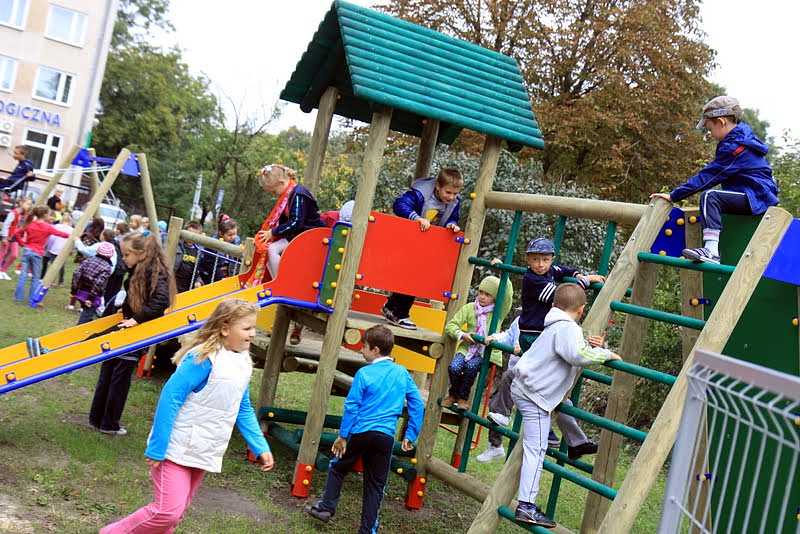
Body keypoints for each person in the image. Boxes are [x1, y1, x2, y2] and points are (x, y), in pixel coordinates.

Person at [99, 299, 274, 534]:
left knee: (176, 514)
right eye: (246, 328)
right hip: (176, 448)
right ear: (225, 328)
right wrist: (158, 446)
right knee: (167, 512)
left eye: (254, 328)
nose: (253, 334)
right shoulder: (204, 359)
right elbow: (170, 398)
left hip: (204, 449)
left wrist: (259, 445)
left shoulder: (242, 362)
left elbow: (243, 408)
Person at [511, 284, 621, 527]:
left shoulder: (555, 324)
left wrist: (593, 347)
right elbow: (576, 356)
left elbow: (574, 350)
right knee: (536, 449)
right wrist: (605, 354)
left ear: (554, 305)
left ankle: (576, 442)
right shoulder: (568, 328)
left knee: (563, 402)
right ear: (581, 309)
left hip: (529, 388)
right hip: (534, 396)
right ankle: (526, 506)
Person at [305, 325, 424, 533]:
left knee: (338, 467)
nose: (361, 350)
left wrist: (343, 436)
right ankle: (367, 530)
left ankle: (326, 507)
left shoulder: (364, 373)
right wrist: (410, 434)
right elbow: (417, 403)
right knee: (375, 485)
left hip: (361, 432)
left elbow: (352, 405)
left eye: (364, 346)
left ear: (375, 350)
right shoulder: (402, 373)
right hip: (385, 437)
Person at [651, 96, 779, 265]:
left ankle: (711, 251)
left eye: (709, 128)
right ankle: (712, 248)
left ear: (721, 122)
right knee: (715, 200)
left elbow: (709, 176)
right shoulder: (740, 139)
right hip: (754, 194)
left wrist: (674, 195)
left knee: (710, 197)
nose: (709, 134)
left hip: (755, 197)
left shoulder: (736, 148)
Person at [84, 233, 175, 435]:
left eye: (127, 254)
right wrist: (125, 310)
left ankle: (106, 422)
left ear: (141, 253)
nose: (123, 258)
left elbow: (161, 300)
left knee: (118, 377)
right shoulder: (138, 269)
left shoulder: (155, 272)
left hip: (136, 332)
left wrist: (136, 319)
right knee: (110, 371)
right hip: (129, 328)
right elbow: (137, 297)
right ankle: (100, 420)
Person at [475, 314, 598, 463]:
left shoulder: (554, 323)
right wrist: (495, 338)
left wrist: (595, 345)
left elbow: (562, 347)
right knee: (498, 407)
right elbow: (509, 335)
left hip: (536, 377)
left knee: (560, 403)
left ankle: (572, 441)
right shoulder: (521, 319)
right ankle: (495, 445)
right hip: (519, 376)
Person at [383, 168, 464, 330]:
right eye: (448, 192)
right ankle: (399, 312)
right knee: (412, 276)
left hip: (426, 246)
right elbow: (399, 205)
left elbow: (453, 217)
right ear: (437, 187)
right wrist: (417, 218)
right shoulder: (420, 194)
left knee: (417, 276)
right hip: (408, 241)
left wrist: (451, 225)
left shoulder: (454, 202)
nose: (451, 197)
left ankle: (392, 308)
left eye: (455, 194)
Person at [518, 238, 605, 347]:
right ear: (528, 259)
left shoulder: (549, 270)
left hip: (541, 331)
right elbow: (564, 298)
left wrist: (577, 275)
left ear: (552, 260)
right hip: (533, 333)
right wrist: (586, 280)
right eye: (535, 259)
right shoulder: (532, 280)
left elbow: (564, 270)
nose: (540, 264)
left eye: (545, 260)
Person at [443, 275, 512, 410]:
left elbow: (508, 296)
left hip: (486, 353)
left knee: (470, 367)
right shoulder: (470, 308)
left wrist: (505, 273)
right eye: (481, 292)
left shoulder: (498, 312)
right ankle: (453, 394)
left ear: (495, 298)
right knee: (454, 367)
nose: (482, 297)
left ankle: (463, 398)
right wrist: (462, 335)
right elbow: (451, 326)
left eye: (487, 295)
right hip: (467, 349)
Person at [248, 164, 324, 284]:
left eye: (274, 191)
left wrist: (273, 232)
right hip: (298, 235)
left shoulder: (298, 194)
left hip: (311, 236)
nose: (275, 195)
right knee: (268, 248)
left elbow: (296, 222)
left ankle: (280, 282)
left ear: (281, 182)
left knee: (272, 249)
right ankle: (277, 281)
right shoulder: (287, 195)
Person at [13, 206, 70, 304]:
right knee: (36, 277)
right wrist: (72, 235)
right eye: (48, 214)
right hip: (37, 253)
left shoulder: (30, 224)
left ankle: (18, 297)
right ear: (44, 215)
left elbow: (16, 233)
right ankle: (32, 299)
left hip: (27, 251)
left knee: (23, 275)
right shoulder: (47, 227)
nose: (49, 216)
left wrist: (22, 244)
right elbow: (60, 234)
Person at [71, 241, 114, 324]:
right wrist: (91, 298)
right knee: (85, 318)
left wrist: (74, 289)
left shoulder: (88, 260)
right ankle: (80, 329)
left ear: (97, 251)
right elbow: (99, 283)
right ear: (111, 255)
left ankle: (88, 323)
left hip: (81, 292)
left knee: (87, 314)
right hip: (92, 296)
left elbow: (76, 273)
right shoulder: (107, 267)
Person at [197, 216, 241, 284]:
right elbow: (210, 265)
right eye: (230, 235)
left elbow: (236, 263)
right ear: (221, 234)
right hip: (211, 277)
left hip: (227, 276)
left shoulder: (236, 243)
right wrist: (220, 278)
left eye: (235, 234)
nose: (233, 237)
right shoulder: (213, 245)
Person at [0, 197, 32, 281]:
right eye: (27, 204)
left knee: (14, 255)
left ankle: (3, 270)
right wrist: (4, 237)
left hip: (15, 237)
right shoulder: (13, 213)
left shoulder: (24, 215)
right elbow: (6, 224)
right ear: (21, 203)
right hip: (8, 236)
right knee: (3, 253)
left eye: (30, 204)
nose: (29, 206)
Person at [42, 212, 73, 287]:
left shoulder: (56, 226)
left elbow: (51, 238)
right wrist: (71, 250)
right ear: (70, 221)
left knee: (53, 265)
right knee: (61, 266)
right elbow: (72, 241)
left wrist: (48, 247)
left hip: (54, 248)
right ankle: (61, 282)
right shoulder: (72, 230)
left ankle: (51, 281)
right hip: (64, 249)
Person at [174, 220, 204, 293]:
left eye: (194, 236)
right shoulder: (177, 246)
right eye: (189, 234)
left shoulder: (198, 251)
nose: (191, 238)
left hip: (187, 286)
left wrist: (198, 281)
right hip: (174, 282)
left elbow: (197, 271)